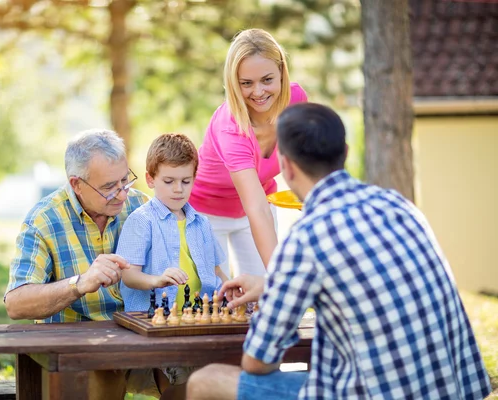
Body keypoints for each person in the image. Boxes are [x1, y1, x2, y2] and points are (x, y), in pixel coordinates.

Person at [186, 103, 492, 400]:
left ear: (287, 167)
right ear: (345, 153)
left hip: (371, 393)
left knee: (204, 381)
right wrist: (272, 285)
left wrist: (278, 296)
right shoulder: (399, 206)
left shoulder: (307, 236)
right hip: (452, 389)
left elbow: (257, 362)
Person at [4, 129, 171, 399]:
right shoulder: (44, 220)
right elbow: (16, 303)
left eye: (124, 181)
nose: (121, 195)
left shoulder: (143, 208)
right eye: (108, 187)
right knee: (105, 375)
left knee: (190, 379)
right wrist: (79, 284)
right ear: (76, 184)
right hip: (77, 349)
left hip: (140, 337)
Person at [116, 133, 228, 400]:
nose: (178, 189)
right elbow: (128, 275)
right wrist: (157, 280)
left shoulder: (201, 222)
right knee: (178, 386)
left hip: (199, 322)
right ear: (151, 178)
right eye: (169, 181)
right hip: (158, 324)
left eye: (185, 181)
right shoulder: (141, 221)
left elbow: (215, 271)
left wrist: (230, 287)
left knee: (210, 382)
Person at [189, 28, 308, 279]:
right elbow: (256, 208)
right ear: (234, 83)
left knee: (263, 292)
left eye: (267, 80)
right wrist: (282, 280)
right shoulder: (231, 128)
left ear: (282, 74)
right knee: (218, 301)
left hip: (260, 202)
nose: (258, 92)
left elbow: (303, 154)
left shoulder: (296, 99)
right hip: (207, 213)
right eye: (246, 83)